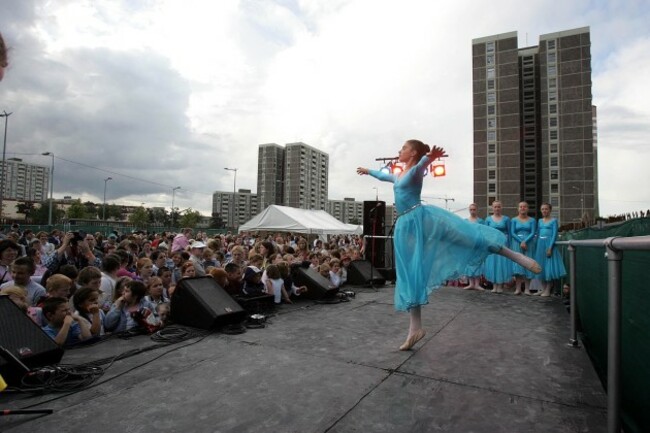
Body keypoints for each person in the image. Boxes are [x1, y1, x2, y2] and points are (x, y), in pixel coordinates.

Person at [357, 139, 540, 351]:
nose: (400, 150)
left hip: (421, 218)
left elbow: (421, 166)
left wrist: (430, 157)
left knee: (467, 238)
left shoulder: (415, 172)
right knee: (410, 272)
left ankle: (515, 256)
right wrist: (368, 170)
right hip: (405, 225)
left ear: (413, 152)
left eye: (404, 148)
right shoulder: (398, 175)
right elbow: (383, 175)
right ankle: (415, 328)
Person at [533, 203, 566, 297]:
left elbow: (555, 234)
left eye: (546, 209)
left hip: (549, 244)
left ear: (550, 210)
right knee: (541, 266)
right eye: (542, 209)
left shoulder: (554, 221)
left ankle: (548, 289)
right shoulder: (539, 221)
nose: (544, 211)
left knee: (549, 266)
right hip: (540, 244)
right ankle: (542, 288)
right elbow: (538, 233)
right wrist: (536, 246)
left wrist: (550, 247)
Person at [483, 200, 513, 294]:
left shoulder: (506, 219)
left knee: (501, 263)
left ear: (501, 207)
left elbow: (510, 232)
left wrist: (509, 244)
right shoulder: (488, 219)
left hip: (502, 243)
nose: (497, 208)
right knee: (493, 263)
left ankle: (500, 285)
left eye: (499, 207)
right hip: (492, 243)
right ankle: (494, 285)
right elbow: (485, 232)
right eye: (495, 207)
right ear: (492, 208)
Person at [510, 201, 537, 295]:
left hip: (529, 243)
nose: (522, 208)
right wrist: (520, 241)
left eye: (525, 207)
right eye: (521, 207)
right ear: (518, 208)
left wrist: (525, 241)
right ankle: (518, 288)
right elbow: (512, 233)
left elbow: (533, 232)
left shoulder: (532, 220)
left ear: (527, 208)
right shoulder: (513, 220)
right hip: (517, 243)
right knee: (518, 264)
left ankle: (527, 289)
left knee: (528, 263)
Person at [462, 203, 485, 291]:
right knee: (469, 263)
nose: (472, 211)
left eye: (474, 209)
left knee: (478, 262)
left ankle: (477, 284)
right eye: (471, 209)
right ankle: (471, 283)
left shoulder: (481, 221)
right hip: (469, 244)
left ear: (477, 210)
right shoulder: (465, 221)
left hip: (478, 244)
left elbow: (483, 232)